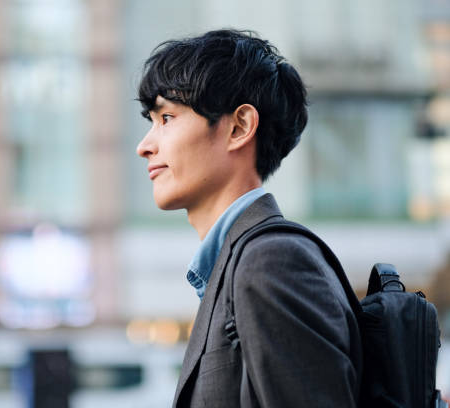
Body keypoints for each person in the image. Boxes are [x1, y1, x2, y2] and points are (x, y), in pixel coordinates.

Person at [135, 29, 361, 408]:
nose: (145, 146)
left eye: (167, 118)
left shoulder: (271, 263)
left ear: (239, 127)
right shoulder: (241, 261)